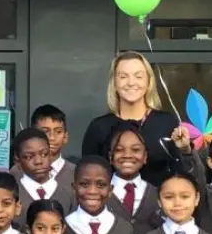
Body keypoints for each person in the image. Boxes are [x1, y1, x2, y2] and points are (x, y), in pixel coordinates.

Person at [80, 52, 193, 186]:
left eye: (138, 76)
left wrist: (186, 150)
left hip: (159, 203)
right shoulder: (99, 127)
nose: (131, 83)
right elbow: (88, 176)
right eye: (123, 77)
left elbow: (185, 175)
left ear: (148, 81)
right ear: (114, 83)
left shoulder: (167, 122)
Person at [105, 122, 164, 234]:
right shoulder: (99, 195)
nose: (127, 155)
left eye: (136, 150)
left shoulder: (158, 194)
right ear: (110, 157)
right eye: (119, 150)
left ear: (145, 156)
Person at [12, 128, 76, 228]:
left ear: (50, 154)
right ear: (17, 160)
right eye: (29, 157)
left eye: (44, 154)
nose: (38, 161)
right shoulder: (12, 194)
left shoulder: (69, 194)